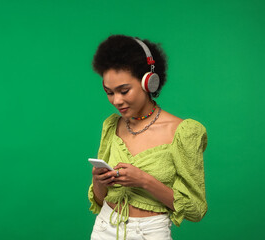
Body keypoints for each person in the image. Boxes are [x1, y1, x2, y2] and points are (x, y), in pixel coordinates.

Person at [88, 35, 208, 240]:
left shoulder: (182, 132)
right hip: (104, 228)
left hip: (150, 232)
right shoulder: (111, 125)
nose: (116, 100)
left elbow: (195, 210)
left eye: (124, 90)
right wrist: (99, 181)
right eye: (109, 92)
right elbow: (98, 200)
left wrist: (143, 181)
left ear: (148, 82)